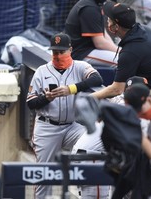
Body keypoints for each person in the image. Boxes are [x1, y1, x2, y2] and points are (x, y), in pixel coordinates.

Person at [27, 32, 103, 198]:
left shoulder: (80, 66)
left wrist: (72, 89)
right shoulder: (41, 71)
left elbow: (97, 79)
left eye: (62, 51)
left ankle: (89, 192)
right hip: (47, 127)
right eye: (55, 52)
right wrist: (46, 98)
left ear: (70, 49)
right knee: (43, 177)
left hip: (72, 126)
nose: (58, 55)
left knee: (94, 144)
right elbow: (30, 103)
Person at [91, 1, 151, 114]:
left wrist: (90, 97)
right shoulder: (144, 30)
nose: (107, 21)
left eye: (109, 19)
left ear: (116, 26)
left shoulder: (130, 51)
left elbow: (117, 89)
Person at [65, 0, 118, 67]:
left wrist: (116, 49)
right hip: (79, 53)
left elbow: (103, 32)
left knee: (124, 57)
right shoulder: (89, 7)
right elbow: (100, 43)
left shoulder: (94, 3)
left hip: (88, 50)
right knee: (123, 61)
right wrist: (121, 52)